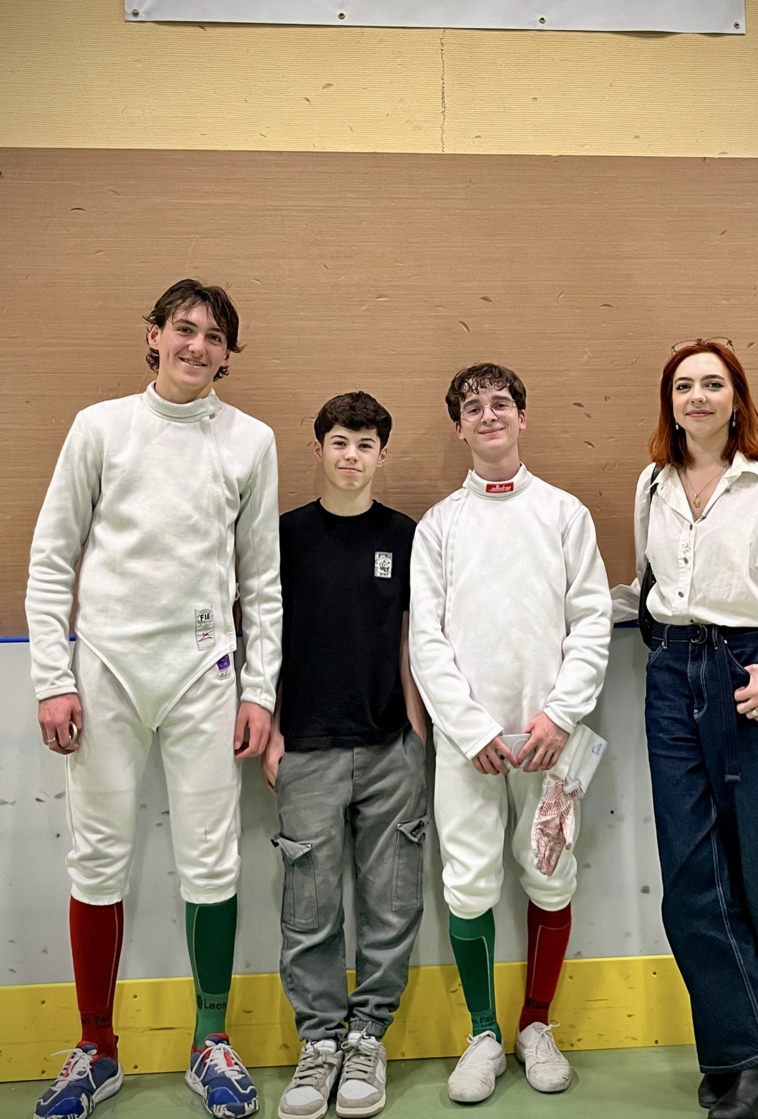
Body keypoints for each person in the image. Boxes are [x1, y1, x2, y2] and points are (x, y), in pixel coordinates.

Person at [26, 279, 282, 1119]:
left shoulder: (250, 441)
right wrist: (53, 678)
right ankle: (96, 1049)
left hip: (205, 674)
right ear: (154, 335)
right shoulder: (99, 428)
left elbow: (263, 582)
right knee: (96, 859)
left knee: (212, 861)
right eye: (184, 329)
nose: (197, 346)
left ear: (228, 355)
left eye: (214, 337)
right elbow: (51, 559)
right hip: (105, 671)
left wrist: (260, 691)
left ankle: (211, 1042)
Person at [612, 339, 758, 1119]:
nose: (698, 396)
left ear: (736, 398)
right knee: (690, 879)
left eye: (713, 384)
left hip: (748, 674)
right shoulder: (651, 483)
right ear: (669, 402)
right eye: (684, 385)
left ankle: (754, 1053)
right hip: (671, 673)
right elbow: (650, 587)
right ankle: (755, 1045)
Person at [409, 363, 612, 1104]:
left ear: (523, 417)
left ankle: (535, 1025)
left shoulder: (564, 514)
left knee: (551, 875)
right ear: (459, 427)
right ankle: (484, 1035)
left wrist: (559, 715)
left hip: (553, 742)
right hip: (469, 746)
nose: (489, 415)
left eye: (501, 404)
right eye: (474, 408)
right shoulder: (439, 526)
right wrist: (469, 730)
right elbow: (425, 639)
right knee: (468, 884)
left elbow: (592, 621)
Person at [265, 392, 427, 1119]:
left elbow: (413, 637)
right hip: (305, 747)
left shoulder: (405, 535)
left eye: (365, 444)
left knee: (391, 902)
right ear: (319, 449)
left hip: (391, 747)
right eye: (339, 442)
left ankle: (367, 1039)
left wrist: (417, 731)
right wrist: (272, 729)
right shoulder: (285, 536)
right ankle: (320, 1042)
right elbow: (266, 641)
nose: (351, 456)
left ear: (381, 455)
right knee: (309, 908)